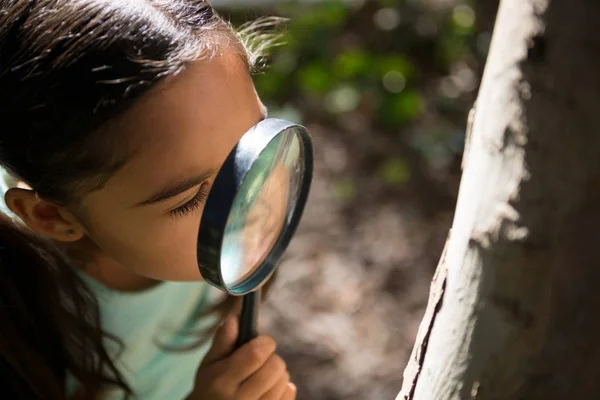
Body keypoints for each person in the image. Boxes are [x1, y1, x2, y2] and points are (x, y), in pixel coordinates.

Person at [0, 1, 296, 399]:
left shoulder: (181, 231)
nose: (249, 196)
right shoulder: (21, 331)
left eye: (252, 145)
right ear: (51, 216)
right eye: (190, 198)